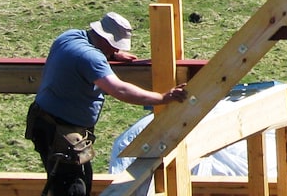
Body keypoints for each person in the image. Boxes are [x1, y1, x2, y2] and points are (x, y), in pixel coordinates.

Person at [25, 12, 189, 196]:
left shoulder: (69, 37)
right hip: (61, 131)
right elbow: (120, 90)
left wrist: (113, 54)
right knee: (73, 188)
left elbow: (84, 62)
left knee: (71, 180)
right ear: (105, 39)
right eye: (114, 45)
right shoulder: (91, 57)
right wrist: (162, 98)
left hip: (45, 121)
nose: (114, 49)